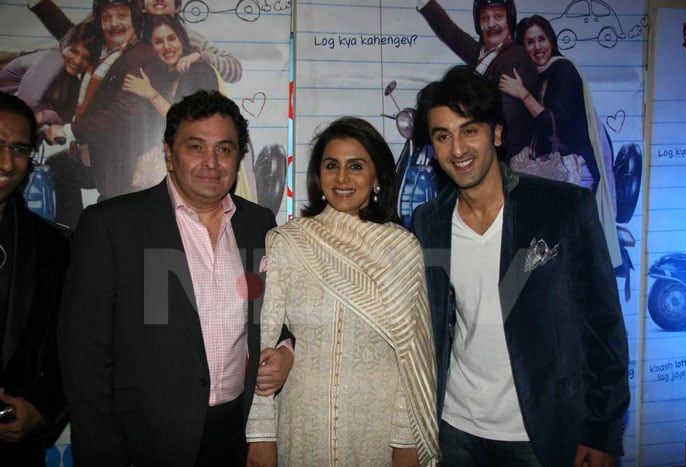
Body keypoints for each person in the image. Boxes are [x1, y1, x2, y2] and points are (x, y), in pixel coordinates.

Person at [58, 90, 293, 467]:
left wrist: (286, 350)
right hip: (145, 444)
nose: (211, 162)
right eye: (195, 146)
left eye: (225, 149)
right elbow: (83, 358)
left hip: (237, 436)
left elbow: (278, 316)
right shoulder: (112, 224)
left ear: (238, 157)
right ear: (169, 154)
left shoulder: (259, 224)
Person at [411, 66, 629, 466]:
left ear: (496, 133)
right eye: (443, 136)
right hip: (455, 428)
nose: (457, 148)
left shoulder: (562, 207)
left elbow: (604, 328)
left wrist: (602, 431)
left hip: (542, 432)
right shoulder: (428, 222)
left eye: (469, 130)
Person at [245, 117, 439, 466]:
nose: (342, 178)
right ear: (319, 177)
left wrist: (405, 440)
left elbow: (411, 361)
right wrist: (261, 435)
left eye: (356, 166)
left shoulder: (402, 248)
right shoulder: (289, 241)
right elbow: (265, 346)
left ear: (376, 176)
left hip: (377, 434)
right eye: (331, 166)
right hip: (301, 430)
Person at [498, 14, 621, 267]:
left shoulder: (563, 70)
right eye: (530, 42)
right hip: (558, 171)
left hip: (577, 171)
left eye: (541, 39)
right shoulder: (539, 76)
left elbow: (556, 127)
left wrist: (522, 94)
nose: (538, 47)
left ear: (551, 41)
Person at [42, 0, 169, 229]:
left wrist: (71, 131)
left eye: (121, 15)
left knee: (112, 220)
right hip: (88, 155)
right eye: (107, 17)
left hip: (120, 165)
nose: (114, 24)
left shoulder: (140, 57)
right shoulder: (96, 49)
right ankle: (71, 231)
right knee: (58, 166)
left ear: (133, 18)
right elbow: (65, 31)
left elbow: (125, 114)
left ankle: (83, 236)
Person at [0, 92, 69, 466]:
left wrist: (41, 412)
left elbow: (71, 349)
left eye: (20, 149)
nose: (7, 162)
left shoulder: (53, 247)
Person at [416, 0, 537, 160]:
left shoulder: (515, 59)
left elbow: (509, 122)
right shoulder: (488, 54)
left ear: (510, 20)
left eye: (498, 16)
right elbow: (451, 34)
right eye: (485, 18)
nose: (491, 24)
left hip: (505, 161)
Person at [28, 0, 243, 83]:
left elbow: (234, 70)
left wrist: (199, 56)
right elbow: (74, 37)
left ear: (177, 6)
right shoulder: (124, 20)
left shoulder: (187, 37)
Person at [0, 22, 101, 125]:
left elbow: (65, 122)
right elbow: (25, 106)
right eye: (74, 51)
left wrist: (48, 116)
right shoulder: (52, 58)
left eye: (86, 58)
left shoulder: (73, 83)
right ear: (63, 46)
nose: (77, 61)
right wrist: (50, 116)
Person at [123, 14, 219, 117]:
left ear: (181, 40)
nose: (167, 47)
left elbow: (192, 123)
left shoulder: (201, 71)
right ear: (151, 47)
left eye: (171, 39)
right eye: (159, 42)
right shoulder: (153, 78)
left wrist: (152, 95)